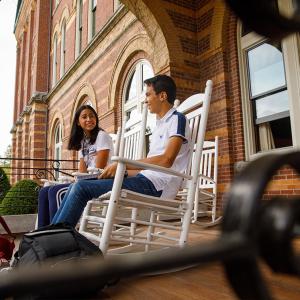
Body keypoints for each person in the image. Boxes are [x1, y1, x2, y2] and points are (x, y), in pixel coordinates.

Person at [52, 75, 191, 227]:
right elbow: (150, 168)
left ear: (162, 96)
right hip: (146, 180)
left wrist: (124, 165)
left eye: (148, 94)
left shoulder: (177, 119)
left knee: (80, 188)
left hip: (160, 186)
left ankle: (56, 241)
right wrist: (120, 171)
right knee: (77, 184)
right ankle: (47, 237)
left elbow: (166, 160)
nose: (145, 100)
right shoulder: (160, 123)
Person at [37, 105, 114, 228]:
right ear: (78, 122)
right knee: (44, 191)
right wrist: (75, 178)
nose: (89, 119)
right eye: (84, 117)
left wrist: (79, 179)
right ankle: (42, 232)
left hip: (101, 180)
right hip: (88, 180)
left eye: (92, 116)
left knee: (55, 192)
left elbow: (100, 169)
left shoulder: (101, 136)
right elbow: (82, 171)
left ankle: (54, 235)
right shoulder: (83, 142)